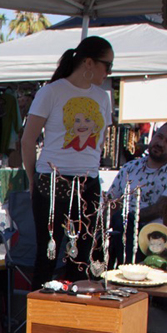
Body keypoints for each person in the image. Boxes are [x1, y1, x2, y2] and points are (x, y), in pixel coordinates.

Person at [19, 35, 114, 284]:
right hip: (53, 179)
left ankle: (75, 311)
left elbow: (100, 141)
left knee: (83, 255)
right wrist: (32, 180)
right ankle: (40, 314)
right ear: (89, 63)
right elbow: (28, 140)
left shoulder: (103, 97)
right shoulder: (51, 92)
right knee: (48, 252)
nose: (109, 72)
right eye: (107, 65)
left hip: (88, 181)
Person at [109, 122, 167, 223]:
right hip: (122, 230)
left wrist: (129, 219)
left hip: (157, 234)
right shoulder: (129, 167)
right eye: (159, 137)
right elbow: (111, 203)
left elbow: (163, 207)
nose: (160, 143)